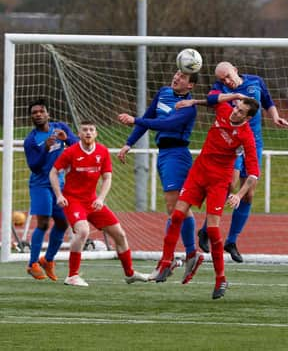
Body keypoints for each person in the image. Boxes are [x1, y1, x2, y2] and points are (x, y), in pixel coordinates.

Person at [154, 93, 260, 300]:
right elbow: (213, 98)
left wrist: (238, 194)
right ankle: (166, 263)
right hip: (198, 173)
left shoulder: (246, 135)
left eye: (240, 111)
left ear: (247, 118)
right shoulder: (224, 110)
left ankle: (221, 278)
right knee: (176, 216)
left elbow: (254, 173)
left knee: (212, 230)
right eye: (236, 107)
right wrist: (196, 101)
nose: (235, 111)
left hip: (219, 181)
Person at [191, 61, 288, 263]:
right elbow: (211, 100)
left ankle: (232, 241)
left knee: (248, 194)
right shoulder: (221, 89)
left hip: (254, 142)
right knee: (230, 184)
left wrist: (275, 117)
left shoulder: (256, 81)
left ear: (236, 70)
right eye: (222, 79)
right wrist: (233, 95)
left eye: (228, 76)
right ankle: (206, 230)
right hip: (233, 144)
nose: (227, 81)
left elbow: (268, 101)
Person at [117, 70, 202, 281]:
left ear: (190, 86)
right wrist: (128, 144)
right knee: (177, 209)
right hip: (164, 154)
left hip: (177, 155)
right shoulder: (163, 92)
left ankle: (173, 258)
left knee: (176, 209)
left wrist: (135, 120)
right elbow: (148, 119)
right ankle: (189, 255)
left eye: (183, 77)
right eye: (176, 73)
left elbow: (166, 124)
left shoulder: (189, 107)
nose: (176, 77)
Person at [49, 120, 149, 287]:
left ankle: (130, 274)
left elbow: (107, 177)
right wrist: (59, 195)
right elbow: (53, 172)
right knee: (82, 231)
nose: (88, 132)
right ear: (79, 134)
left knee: (120, 234)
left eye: (91, 130)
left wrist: (100, 198)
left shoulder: (102, 151)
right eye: (84, 130)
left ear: (96, 133)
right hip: (73, 201)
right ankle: (72, 276)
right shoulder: (70, 152)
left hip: (92, 201)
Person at [23, 99, 79, 281]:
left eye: (41, 111)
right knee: (43, 223)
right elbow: (34, 166)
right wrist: (45, 149)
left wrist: (67, 139)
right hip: (40, 184)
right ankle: (32, 264)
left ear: (48, 114)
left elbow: (77, 146)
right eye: (34, 112)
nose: (38, 114)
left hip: (59, 185)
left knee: (63, 223)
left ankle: (47, 260)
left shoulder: (60, 127)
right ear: (31, 117)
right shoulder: (31, 140)